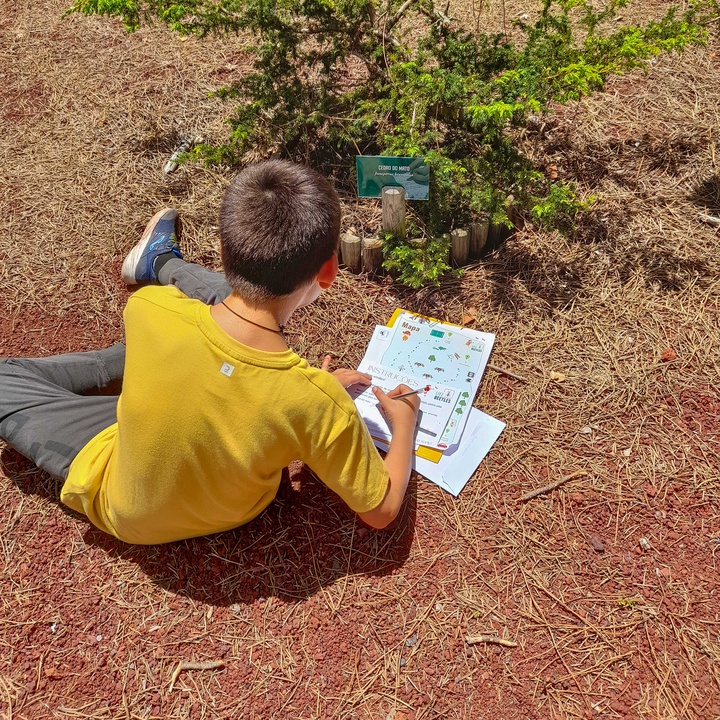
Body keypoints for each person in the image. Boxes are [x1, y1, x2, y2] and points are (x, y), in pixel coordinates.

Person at [0, 160, 420, 544]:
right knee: (223, 316)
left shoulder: (149, 308)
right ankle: (160, 264)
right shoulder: (317, 403)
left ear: (223, 252)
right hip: (230, 513)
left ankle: (161, 266)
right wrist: (404, 425)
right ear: (328, 271)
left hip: (119, 492)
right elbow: (381, 512)